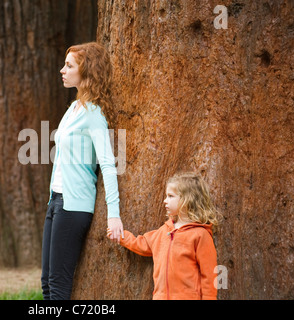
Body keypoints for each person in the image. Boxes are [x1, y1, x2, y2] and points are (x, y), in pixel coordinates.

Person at [41, 42, 124, 300]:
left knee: (58, 286)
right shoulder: (73, 109)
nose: (62, 70)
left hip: (74, 207)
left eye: (69, 66)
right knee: (46, 283)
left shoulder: (94, 115)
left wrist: (114, 214)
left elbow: (108, 164)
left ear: (86, 71)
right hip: (55, 201)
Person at [108, 172, 220, 300]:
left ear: (187, 199)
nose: (165, 201)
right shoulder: (164, 231)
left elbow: (210, 274)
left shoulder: (200, 235)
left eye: (170, 196)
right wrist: (121, 236)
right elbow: (142, 244)